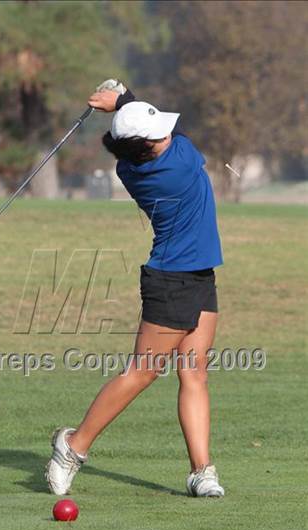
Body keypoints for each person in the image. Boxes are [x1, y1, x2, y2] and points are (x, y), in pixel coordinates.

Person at [46, 85, 225, 498]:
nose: (168, 133)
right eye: (158, 132)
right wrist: (123, 97)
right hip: (172, 282)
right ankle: (72, 447)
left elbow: (139, 127)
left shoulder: (130, 167)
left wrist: (125, 98)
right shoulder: (180, 160)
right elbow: (163, 132)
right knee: (142, 372)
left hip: (198, 276)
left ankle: (201, 471)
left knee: (194, 373)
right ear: (146, 146)